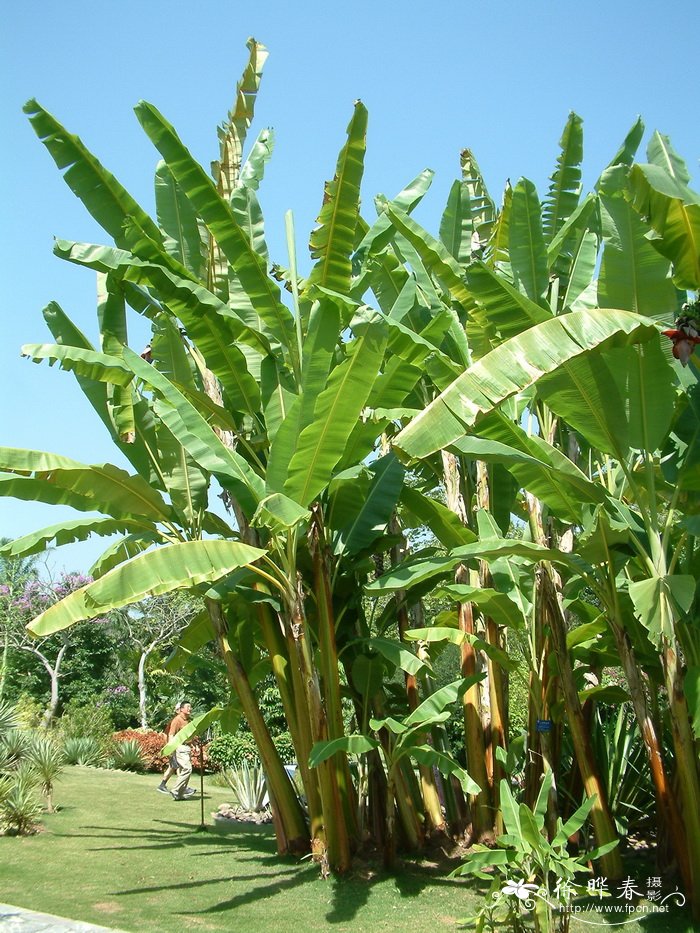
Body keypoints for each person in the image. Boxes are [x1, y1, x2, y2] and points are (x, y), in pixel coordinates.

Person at [163, 701, 196, 800]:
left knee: (183, 770)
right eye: (188, 707)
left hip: (187, 748)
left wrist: (194, 745)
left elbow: (188, 735)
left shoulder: (188, 720)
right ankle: (176, 790)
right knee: (187, 769)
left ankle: (179, 795)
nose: (190, 709)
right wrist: (171, 749)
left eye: (190, 707)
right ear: (181, 709)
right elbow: (171, 735)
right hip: (180, 747)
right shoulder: (177, 720)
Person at [156, 703, 185, 795]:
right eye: (178, 709)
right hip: (173, 748)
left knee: (173, 767)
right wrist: (169, 747)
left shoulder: (181, 721)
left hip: (176, 747)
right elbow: (166, 734)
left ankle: (163, 785)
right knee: (178, 767)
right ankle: (182, 787)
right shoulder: (174, 721)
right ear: (177, 710)